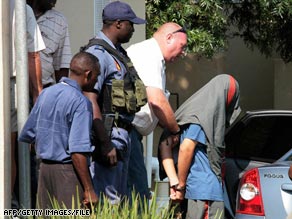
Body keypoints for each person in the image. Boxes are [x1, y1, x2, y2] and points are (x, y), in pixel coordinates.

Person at [82, 1, 146, 203]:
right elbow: (89, 98)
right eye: (130, 24)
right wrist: (105, 142)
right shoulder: (98, 54)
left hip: (123, 134)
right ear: (118, 23)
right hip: (109, 135)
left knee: (121, 200)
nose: (133, 29)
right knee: (108, 201)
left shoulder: (117, 52)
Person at [18, 51, 100, 210]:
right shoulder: (81, 103)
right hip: (68, 174)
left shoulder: (46, 94)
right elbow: (77, 151)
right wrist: (89, 189)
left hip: (43, 172)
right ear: (88, 74)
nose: (96, 81)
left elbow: (29, 135)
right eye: (96, 76)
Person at [158, 74, 241, 219]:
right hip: (205, 192)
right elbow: (186, 148)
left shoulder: (187, 114)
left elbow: (164, 146)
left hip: (193, 191)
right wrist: (181, 185)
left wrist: (175, 182)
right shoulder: (203, 118)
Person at [126, 22, 188, 199]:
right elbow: (157, 101)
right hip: (127, 132)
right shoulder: (149, 53)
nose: (183, 53)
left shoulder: (154, 56)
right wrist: (175, 130)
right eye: (182, 46)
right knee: (137, 197)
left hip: (132, 134)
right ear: (169, 37)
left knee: (134, 194)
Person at [10, 0, 45, 208]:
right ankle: (7, 202)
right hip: (12, 83)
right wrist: (37, 93)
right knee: (8, 147)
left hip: (13, 83)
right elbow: (33, 54)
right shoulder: (21, 8)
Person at [27, 0, 72, 87]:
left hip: (45, 88)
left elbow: (61, 64)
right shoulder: (16, 14)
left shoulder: (59, 20)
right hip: (17, 89)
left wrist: (62, 93)